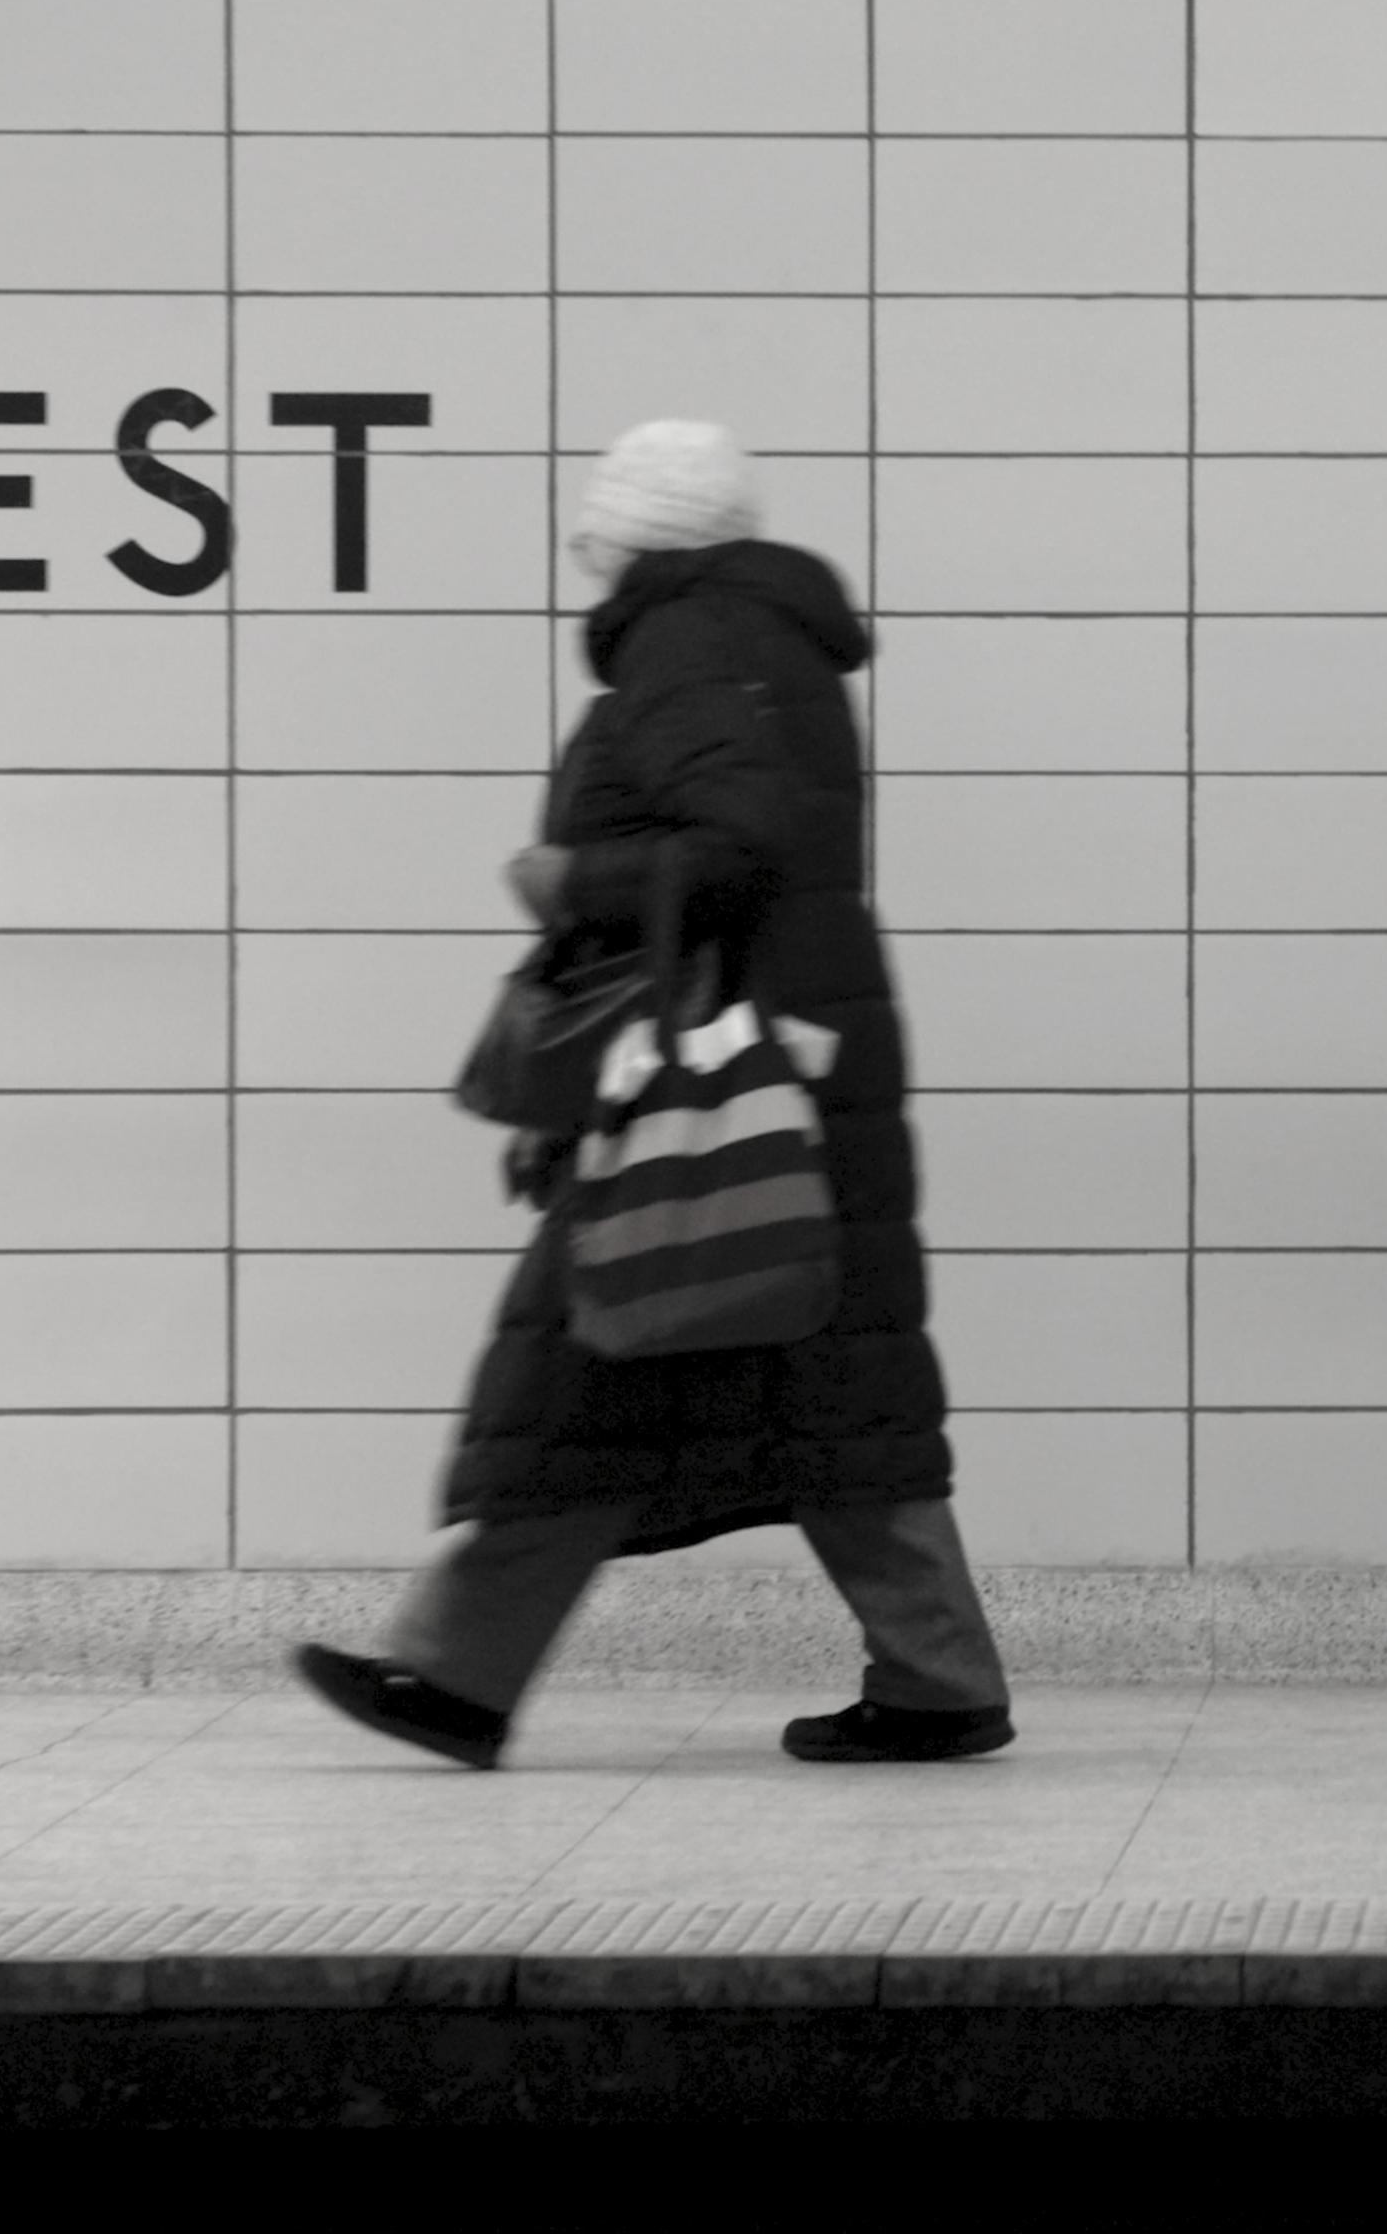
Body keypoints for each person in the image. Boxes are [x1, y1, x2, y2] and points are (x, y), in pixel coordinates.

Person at [294, 421, 1012, 1769]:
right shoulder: (766, 641)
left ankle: (452, 1677)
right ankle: (936, 1681)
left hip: (706, 1080)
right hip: (785, 1065)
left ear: (634, 536)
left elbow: (737, 847)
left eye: (594, 532)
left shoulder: (688, 639)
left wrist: (566, 883)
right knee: (825, 1392)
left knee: (589, 1368)